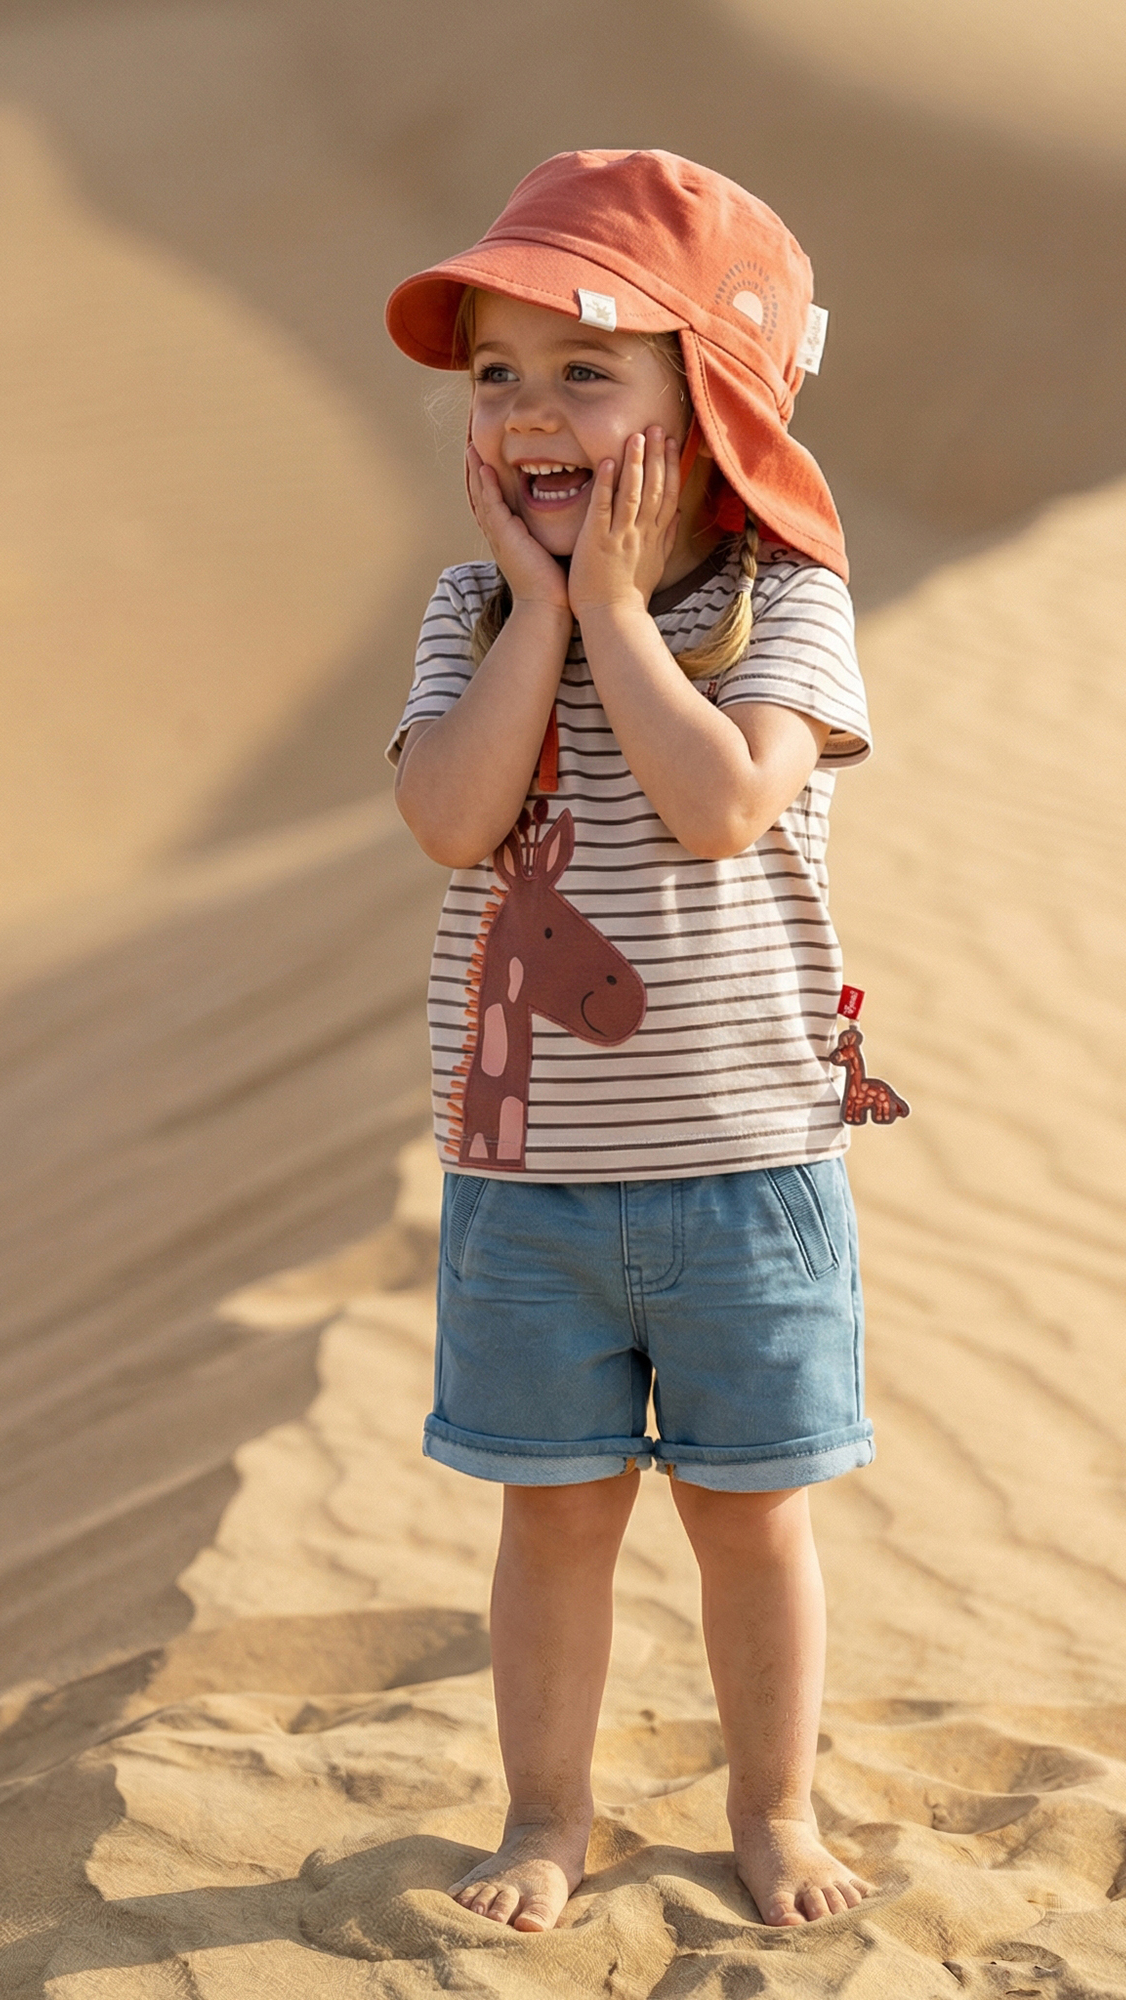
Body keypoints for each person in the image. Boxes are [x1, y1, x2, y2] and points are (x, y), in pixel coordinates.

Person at [385, 149, 876, 1934]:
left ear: (707, 403)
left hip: (749, 1169)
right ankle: (546, 1816)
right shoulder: (466, 616)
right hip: (529, 1189)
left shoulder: (782, 605)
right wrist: (534, 611)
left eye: (586, 371)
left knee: (751, 1520)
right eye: (496, 377)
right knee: (554, 1520)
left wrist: (610, 612)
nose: (527, 414)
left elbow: (725, 801)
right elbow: (450, 823)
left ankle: (779, 1808)